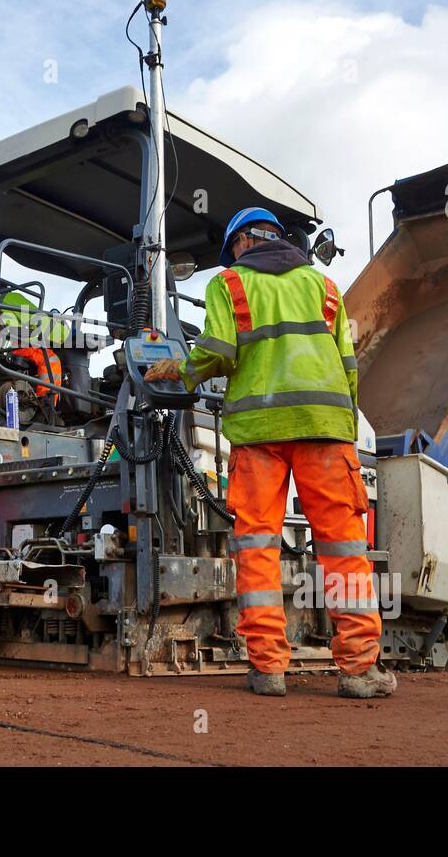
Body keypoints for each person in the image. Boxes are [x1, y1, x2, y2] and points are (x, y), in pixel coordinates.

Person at [145, 208, 395, 699]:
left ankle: (269, 670)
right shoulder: (324, 288)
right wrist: (342, 430)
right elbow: (348, 365)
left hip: (258, 433)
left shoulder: (230, 284)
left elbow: (218, 350)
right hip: (324, 431)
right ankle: (359, 671)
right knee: (344, 551)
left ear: (239, 244)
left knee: (257, 548)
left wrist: (181, 370)